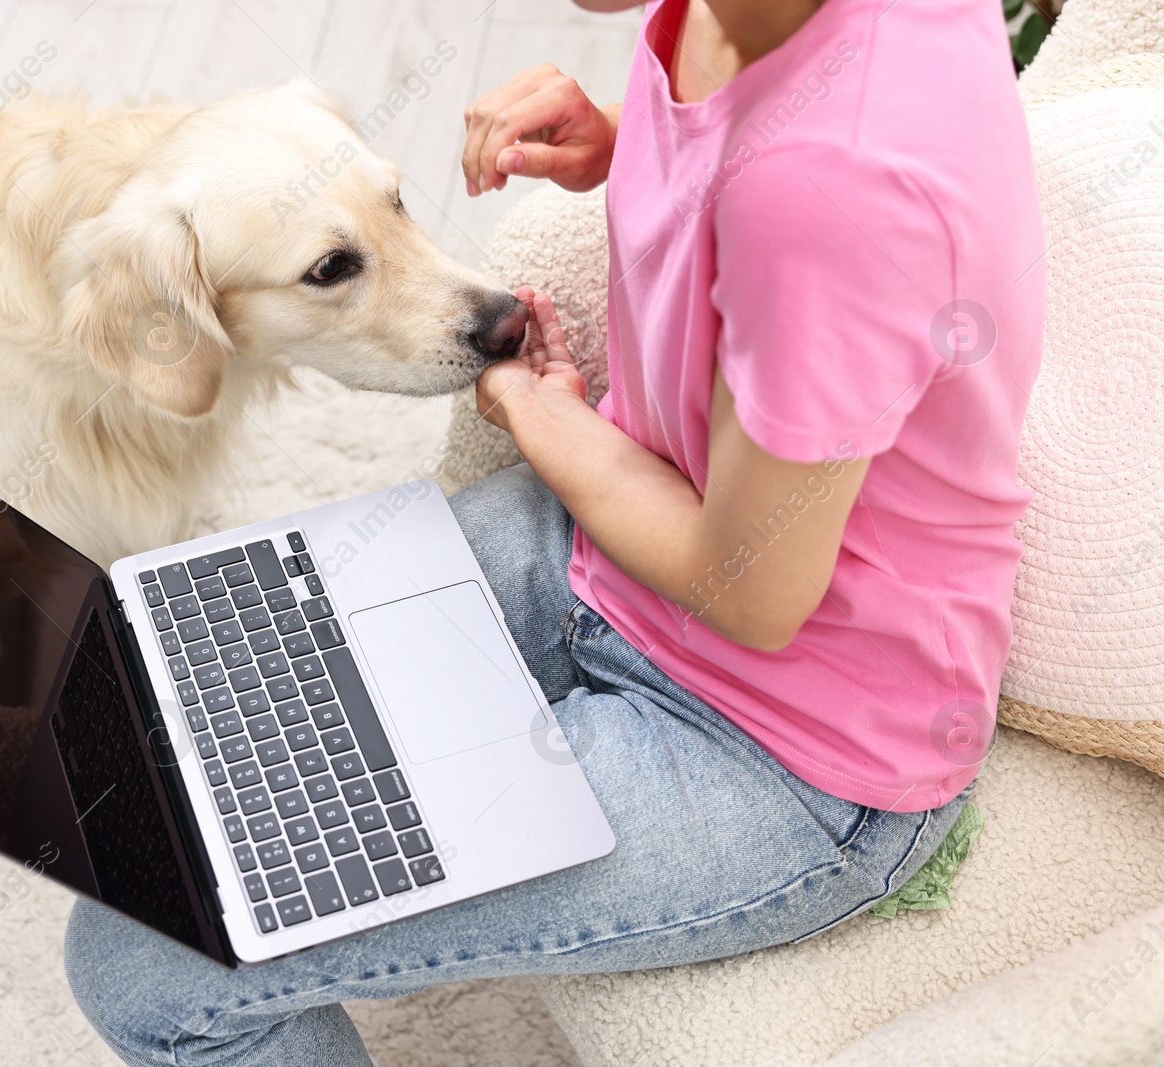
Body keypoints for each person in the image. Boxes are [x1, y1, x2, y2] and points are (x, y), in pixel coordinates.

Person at [64, 0, 1045, 1061]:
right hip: (619, 547)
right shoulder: (746, 19)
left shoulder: (832, 194)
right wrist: (630, 140)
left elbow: (753, 589)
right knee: (173, 694)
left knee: (140, 961)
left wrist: (542, 417)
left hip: (789, 754)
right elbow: (770, 150)